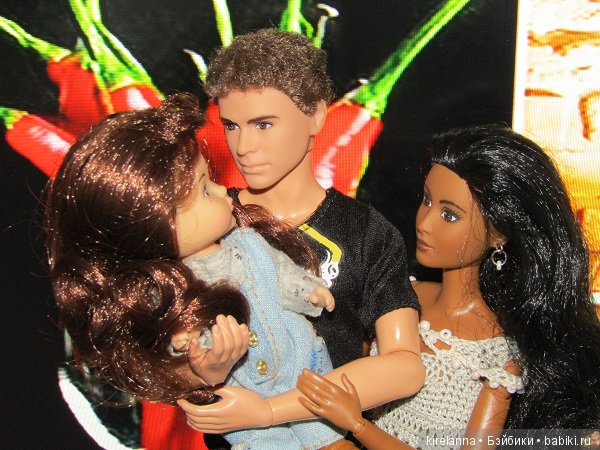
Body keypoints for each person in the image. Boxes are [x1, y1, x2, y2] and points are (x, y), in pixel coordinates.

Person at [44, 92, 361, 449]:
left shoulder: (247, 241)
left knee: (332, 441)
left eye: (210, 181)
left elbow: (277, 271)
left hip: (303, 363)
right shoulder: (167, 297)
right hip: (247, 405)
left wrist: (306, 290)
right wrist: (210, 368)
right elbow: (186, 364)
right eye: (205, 191)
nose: (224, 189)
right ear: (156, 227)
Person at [179, 27, 425, 437]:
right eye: (231, 126)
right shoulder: (211, 222)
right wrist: (205, 372)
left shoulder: (364, 232)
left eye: (263, 124)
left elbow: (404, 366)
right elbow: (165, 353)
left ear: (315, 115)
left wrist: (270, 411)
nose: (242, 147)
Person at [295, 124, 600, 449]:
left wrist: (357, 424)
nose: (425, 223)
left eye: (450, 215)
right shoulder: (400, 296)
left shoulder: (497, 358)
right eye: (427, 200)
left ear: (499, 234)